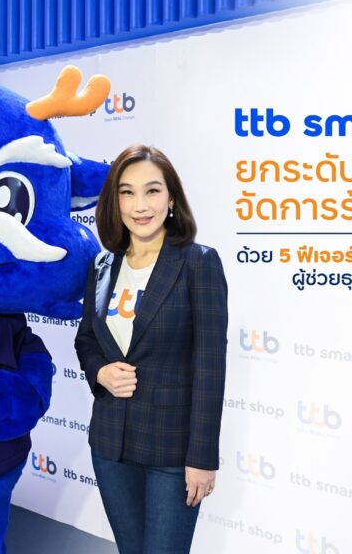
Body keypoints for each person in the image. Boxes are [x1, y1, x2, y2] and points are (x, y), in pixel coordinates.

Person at [75, 144, 228, 553]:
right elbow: (86, 339)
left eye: (152, 191)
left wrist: (202, 457)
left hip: (172, 452)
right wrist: (100, 372)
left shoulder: (198, 263)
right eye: (127, 192)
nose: (140, 205)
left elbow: (210, 366)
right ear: (115, 201)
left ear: (171, 198)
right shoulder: (102, 266)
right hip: (111, 445)